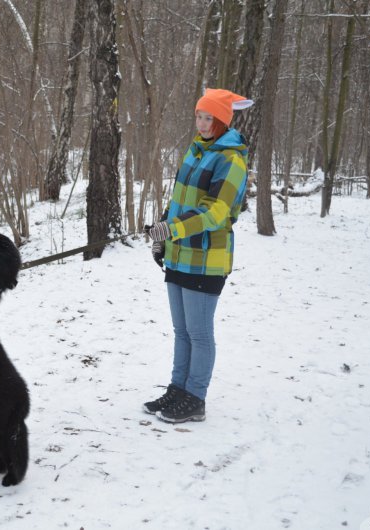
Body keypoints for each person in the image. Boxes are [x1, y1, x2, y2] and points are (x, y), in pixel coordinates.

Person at [143, 88, 252, 424]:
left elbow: (215, 212)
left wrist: (171, 229)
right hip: (180, 255)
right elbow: (179, 203)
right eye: (200, 116)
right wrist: (163, 233)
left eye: (210, 118)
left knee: (200, 333)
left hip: (207, 258)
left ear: (222, 121)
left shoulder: (230, 159)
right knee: (181, 331)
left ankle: (196, 398)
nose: (203, 124)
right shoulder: (196, 151)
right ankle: (178, 389)